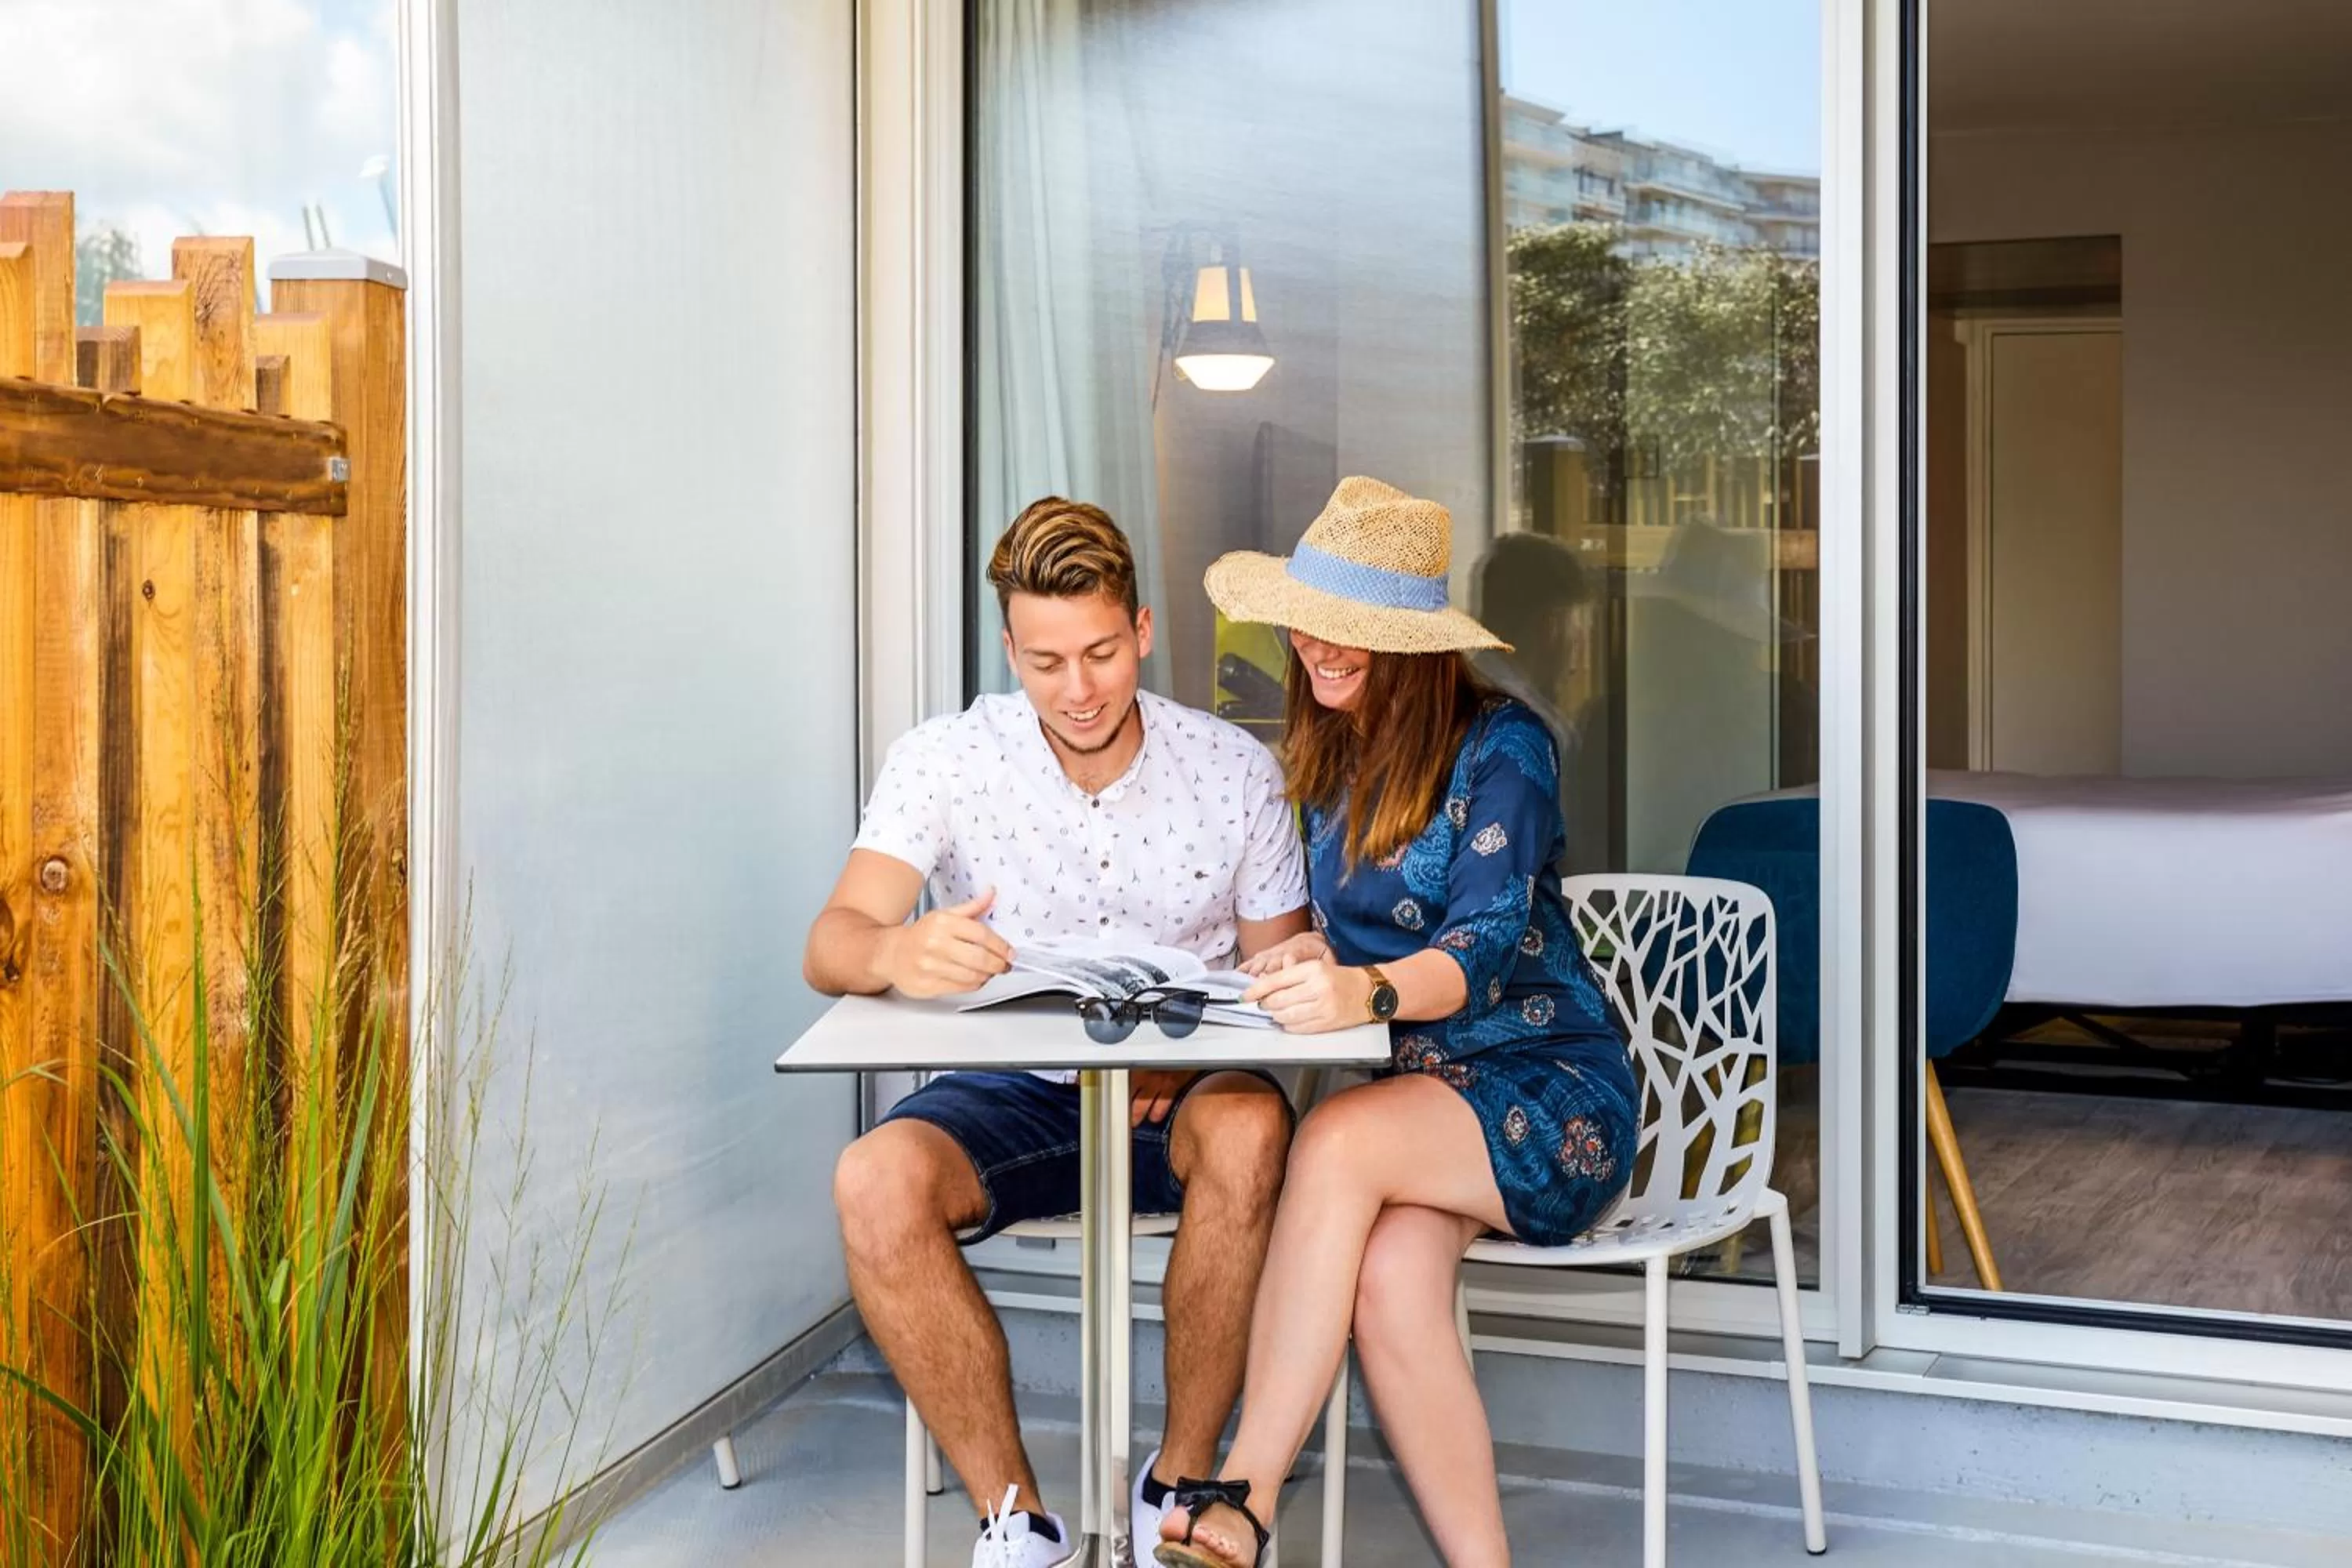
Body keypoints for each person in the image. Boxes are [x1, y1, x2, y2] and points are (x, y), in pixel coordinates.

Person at [807, 497, 1312, 1568]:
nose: (1076, 692)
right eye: (1044, 663)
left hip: (1181, 1089)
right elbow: (833, 940)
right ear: (1008, 650)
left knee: (1253, 1131)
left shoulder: (1231, 769)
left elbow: (1284, 980)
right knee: (873, 1180)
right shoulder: (946, 758)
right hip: (1014, 1087)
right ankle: (1017, 1519)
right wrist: (897, 953)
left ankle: (1176, 1485)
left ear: (1142, 629)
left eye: (1098, 653)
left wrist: (1212, 1048)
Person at [1154, 477, 1637, 1568]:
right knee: (1386, 1283)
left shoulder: (1506, 746)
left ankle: (1244, 1496)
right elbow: (1352, 929)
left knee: (1331, 1141)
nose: (1317, 650)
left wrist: (1365, 995)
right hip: (1425, 1107)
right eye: (1309, 626)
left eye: (1348, 636)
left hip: (1547, 1091)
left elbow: (1479, 945)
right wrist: (1316, 952)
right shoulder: (1331, 750)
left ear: (1413, 645)